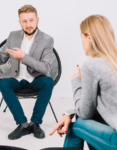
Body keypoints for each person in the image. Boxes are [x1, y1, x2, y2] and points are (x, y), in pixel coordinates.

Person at [0, 5, 54, 140]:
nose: (28, 24)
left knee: (48, 82)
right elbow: (0, 58)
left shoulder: (47, 40)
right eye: (25, 21)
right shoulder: (13, 35)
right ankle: (23, 125)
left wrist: (24, 57)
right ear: (20, 22)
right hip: (15, 78)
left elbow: (45, 68)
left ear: (38, 20)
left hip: (35, 79)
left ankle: (35, 123)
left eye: (31, 20)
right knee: (4, 84)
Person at [50, 15, 117, 150]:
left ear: (89, 37)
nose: (81, 41)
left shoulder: (92, 66)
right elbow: (102, 106)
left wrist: (77, 82)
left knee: (76, 126)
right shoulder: (113, 62)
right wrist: (68, 113)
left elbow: (85, 113)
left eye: (81, 37)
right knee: (93, 121)